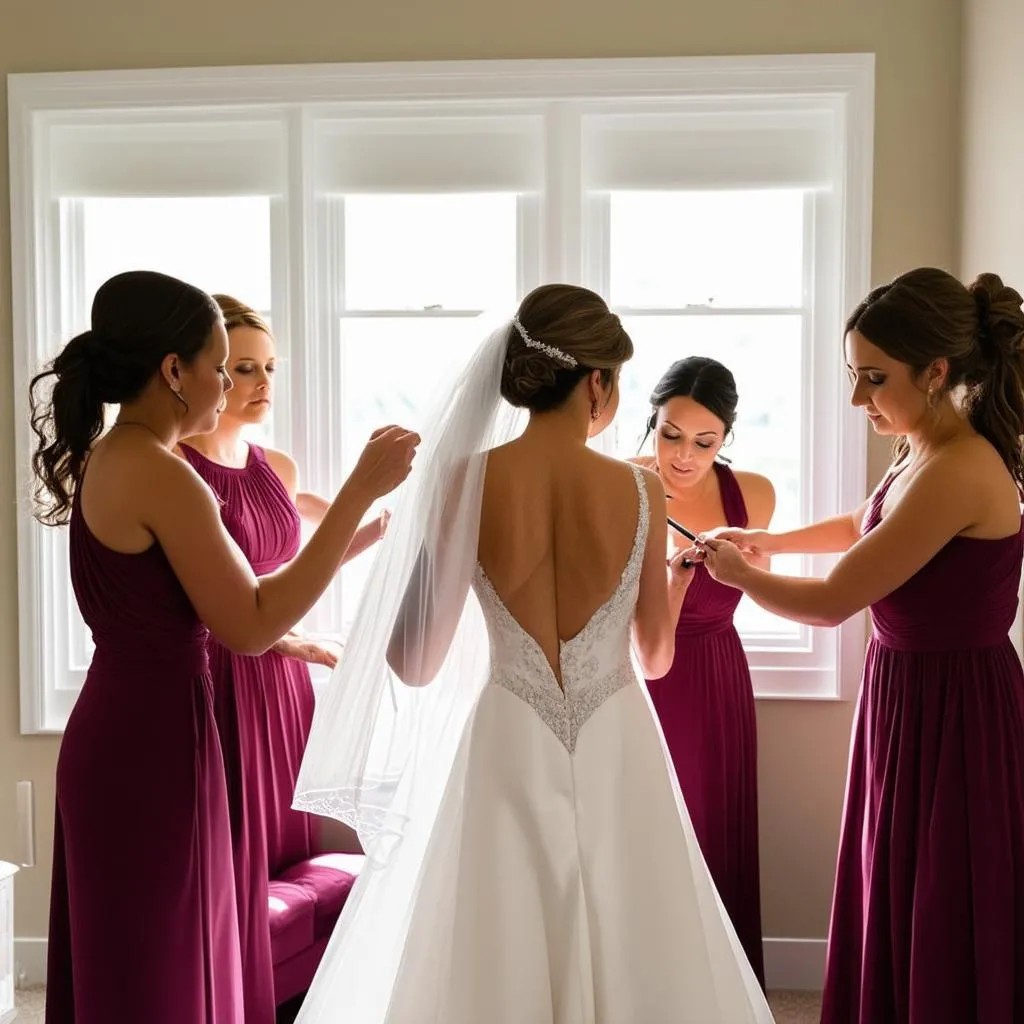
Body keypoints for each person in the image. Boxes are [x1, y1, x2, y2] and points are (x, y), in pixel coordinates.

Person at [291, 285, 776, 1022]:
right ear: (596, 383)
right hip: (617, 736)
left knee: (499, 935)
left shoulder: (463, 479)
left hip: (508, 733)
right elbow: (654, 658)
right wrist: (675, 582)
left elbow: (415, 663)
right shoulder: (642, 493)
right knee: (638, 932)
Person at [29, 270, 418, 1024]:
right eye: (219, 365)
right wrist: (360, 495)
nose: (226, 383)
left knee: (158, 957)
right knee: (159, 964)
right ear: (174, 372)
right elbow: (251, 621)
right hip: (150, 746)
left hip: (146, 729)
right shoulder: (159, 472)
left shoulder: (128, 458)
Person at [695, 268, 1024, 1024]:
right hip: (908, 694)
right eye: (853, 375)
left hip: (955, 712)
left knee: (941, 890)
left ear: (936, 372)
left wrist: (736, 573)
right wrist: (769, 541)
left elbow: (835, 602)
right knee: (901, 883)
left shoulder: (960, 468)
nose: (856, 400)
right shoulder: (922, 447)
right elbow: (863, 525)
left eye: (874, 379)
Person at [177, 294, 388, 1024]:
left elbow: (310, 560)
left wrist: (388, 524)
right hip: (226, 676)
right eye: (243, 368)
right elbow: (203, 603)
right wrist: (296, 639)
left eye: (271, 367)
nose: (264, 382)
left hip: (282, 687)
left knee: (280, 850)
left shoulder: (277, 464)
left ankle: (292, 991)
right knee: (230, 857)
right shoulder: (176, 469)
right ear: (199, 371)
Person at [632, 356, 774, 987]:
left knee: (713, 833)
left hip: (717, 677)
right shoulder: (618, 482)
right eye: (670, 434)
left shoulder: (756, 495)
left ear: (727, 438)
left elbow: (764, 585)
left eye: (704, 441)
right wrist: (676, 579)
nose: (683, 456)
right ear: (652, 423)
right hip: (637, 680)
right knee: (649, 841)